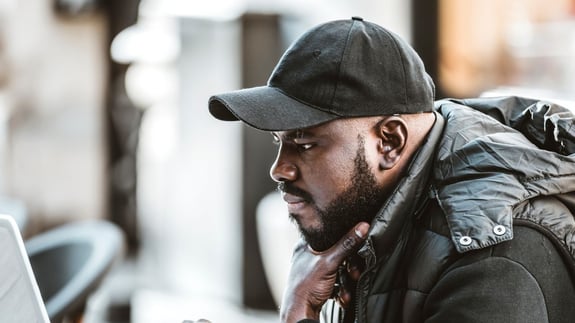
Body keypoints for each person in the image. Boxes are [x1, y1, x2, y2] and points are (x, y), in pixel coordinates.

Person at [208, 16, 575, 323]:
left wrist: (298, 314)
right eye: (280, 141)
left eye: (304, 144)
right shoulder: (375, 215)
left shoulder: (494, 261)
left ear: (390, 141)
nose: (279, 169)